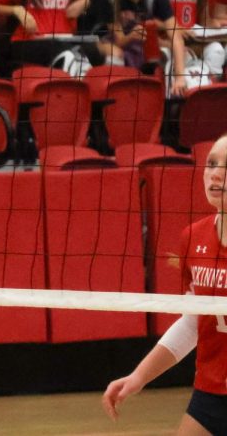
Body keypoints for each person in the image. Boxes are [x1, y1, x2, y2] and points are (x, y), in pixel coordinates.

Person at [102, 131, 227, 435]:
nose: (216, 174)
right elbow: (192, 321)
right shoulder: (193, 238)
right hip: (211, 392)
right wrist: (139, 376)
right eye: (211, 164)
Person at [86, 0, 190, 97]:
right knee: (116, 54)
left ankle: (166, 99)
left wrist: (180, 77)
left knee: (177, 52)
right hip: (107, 46)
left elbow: (175, 34)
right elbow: (119, 40)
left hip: (141, 48)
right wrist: (132, 36)